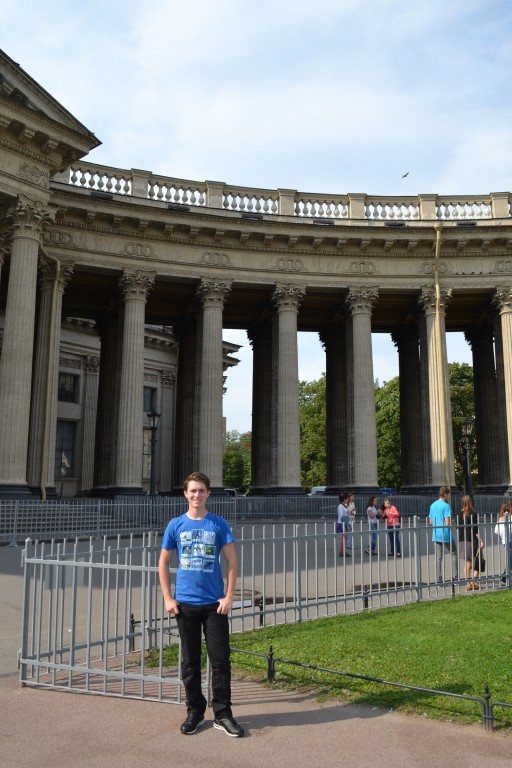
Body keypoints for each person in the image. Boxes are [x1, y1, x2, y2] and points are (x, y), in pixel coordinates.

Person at [158, 472, 244, 738]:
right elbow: (163, 562)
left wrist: (228, 596)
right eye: (193, 491)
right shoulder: (176, 525)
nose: (197, 495)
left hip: (214, 605)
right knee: (190, 662)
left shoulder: (218, 524)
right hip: (185, 604)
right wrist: (168, 598)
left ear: (208, 494)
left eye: (201, 491)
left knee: (220, 661)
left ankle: (223, 713)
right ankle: (195, 711)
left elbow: (232, 562)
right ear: (186, 494)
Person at [428, 485, 458, 583]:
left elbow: (430, 522)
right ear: (445, 494)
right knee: (453, 553)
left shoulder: (432, 505)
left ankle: (438, 579)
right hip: (445, 533)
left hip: (436, 533)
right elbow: (448, 522)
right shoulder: (446, 506)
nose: (448, 496)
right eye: (448, 495)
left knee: (438, 557)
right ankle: (455, 577)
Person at [457, 494, 483, 591]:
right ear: (470, 502)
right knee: (470, 561)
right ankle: (470, 582)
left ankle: (469, 582)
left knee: (467, 562)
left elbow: (458, 528)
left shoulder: (459, 514)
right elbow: (475, 529)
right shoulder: (473, 514)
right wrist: (481, 540)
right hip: (470, 539)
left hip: (462, 540)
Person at [495, 501, 512, 585]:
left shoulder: (500, 519)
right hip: (510, 540)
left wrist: (503, 534)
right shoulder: (510, 518)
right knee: (510, 560)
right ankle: (504, 577)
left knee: (510, 560)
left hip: (505, 541)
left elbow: (496, 531)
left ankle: (504, 577)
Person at [337, 492, 351, 557]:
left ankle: (342, 551)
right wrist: (348, 519)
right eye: (347, 499)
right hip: (342, 523)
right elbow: (341, 516)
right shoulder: (340, 506)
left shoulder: (344, 506)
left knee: (345, 537)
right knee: (344, 538)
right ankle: (342, 552)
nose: (348, 500)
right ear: (344, 499)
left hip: (345, 523)